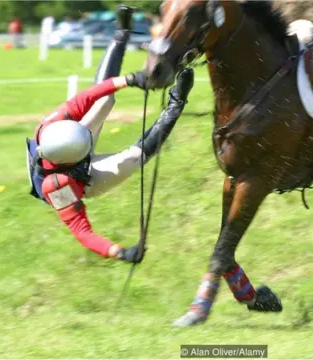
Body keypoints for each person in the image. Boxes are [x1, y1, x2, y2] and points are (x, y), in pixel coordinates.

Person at [26, 6, 194, 264]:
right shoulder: (58, 186)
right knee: (130, 159)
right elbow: (83, 233)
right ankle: (176, 104)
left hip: (72, 143)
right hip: (84, 179)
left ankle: (121, 33)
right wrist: (119, 251)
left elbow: (92, 94)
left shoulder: (55, 122)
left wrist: (130, 79)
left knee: (103, 103)